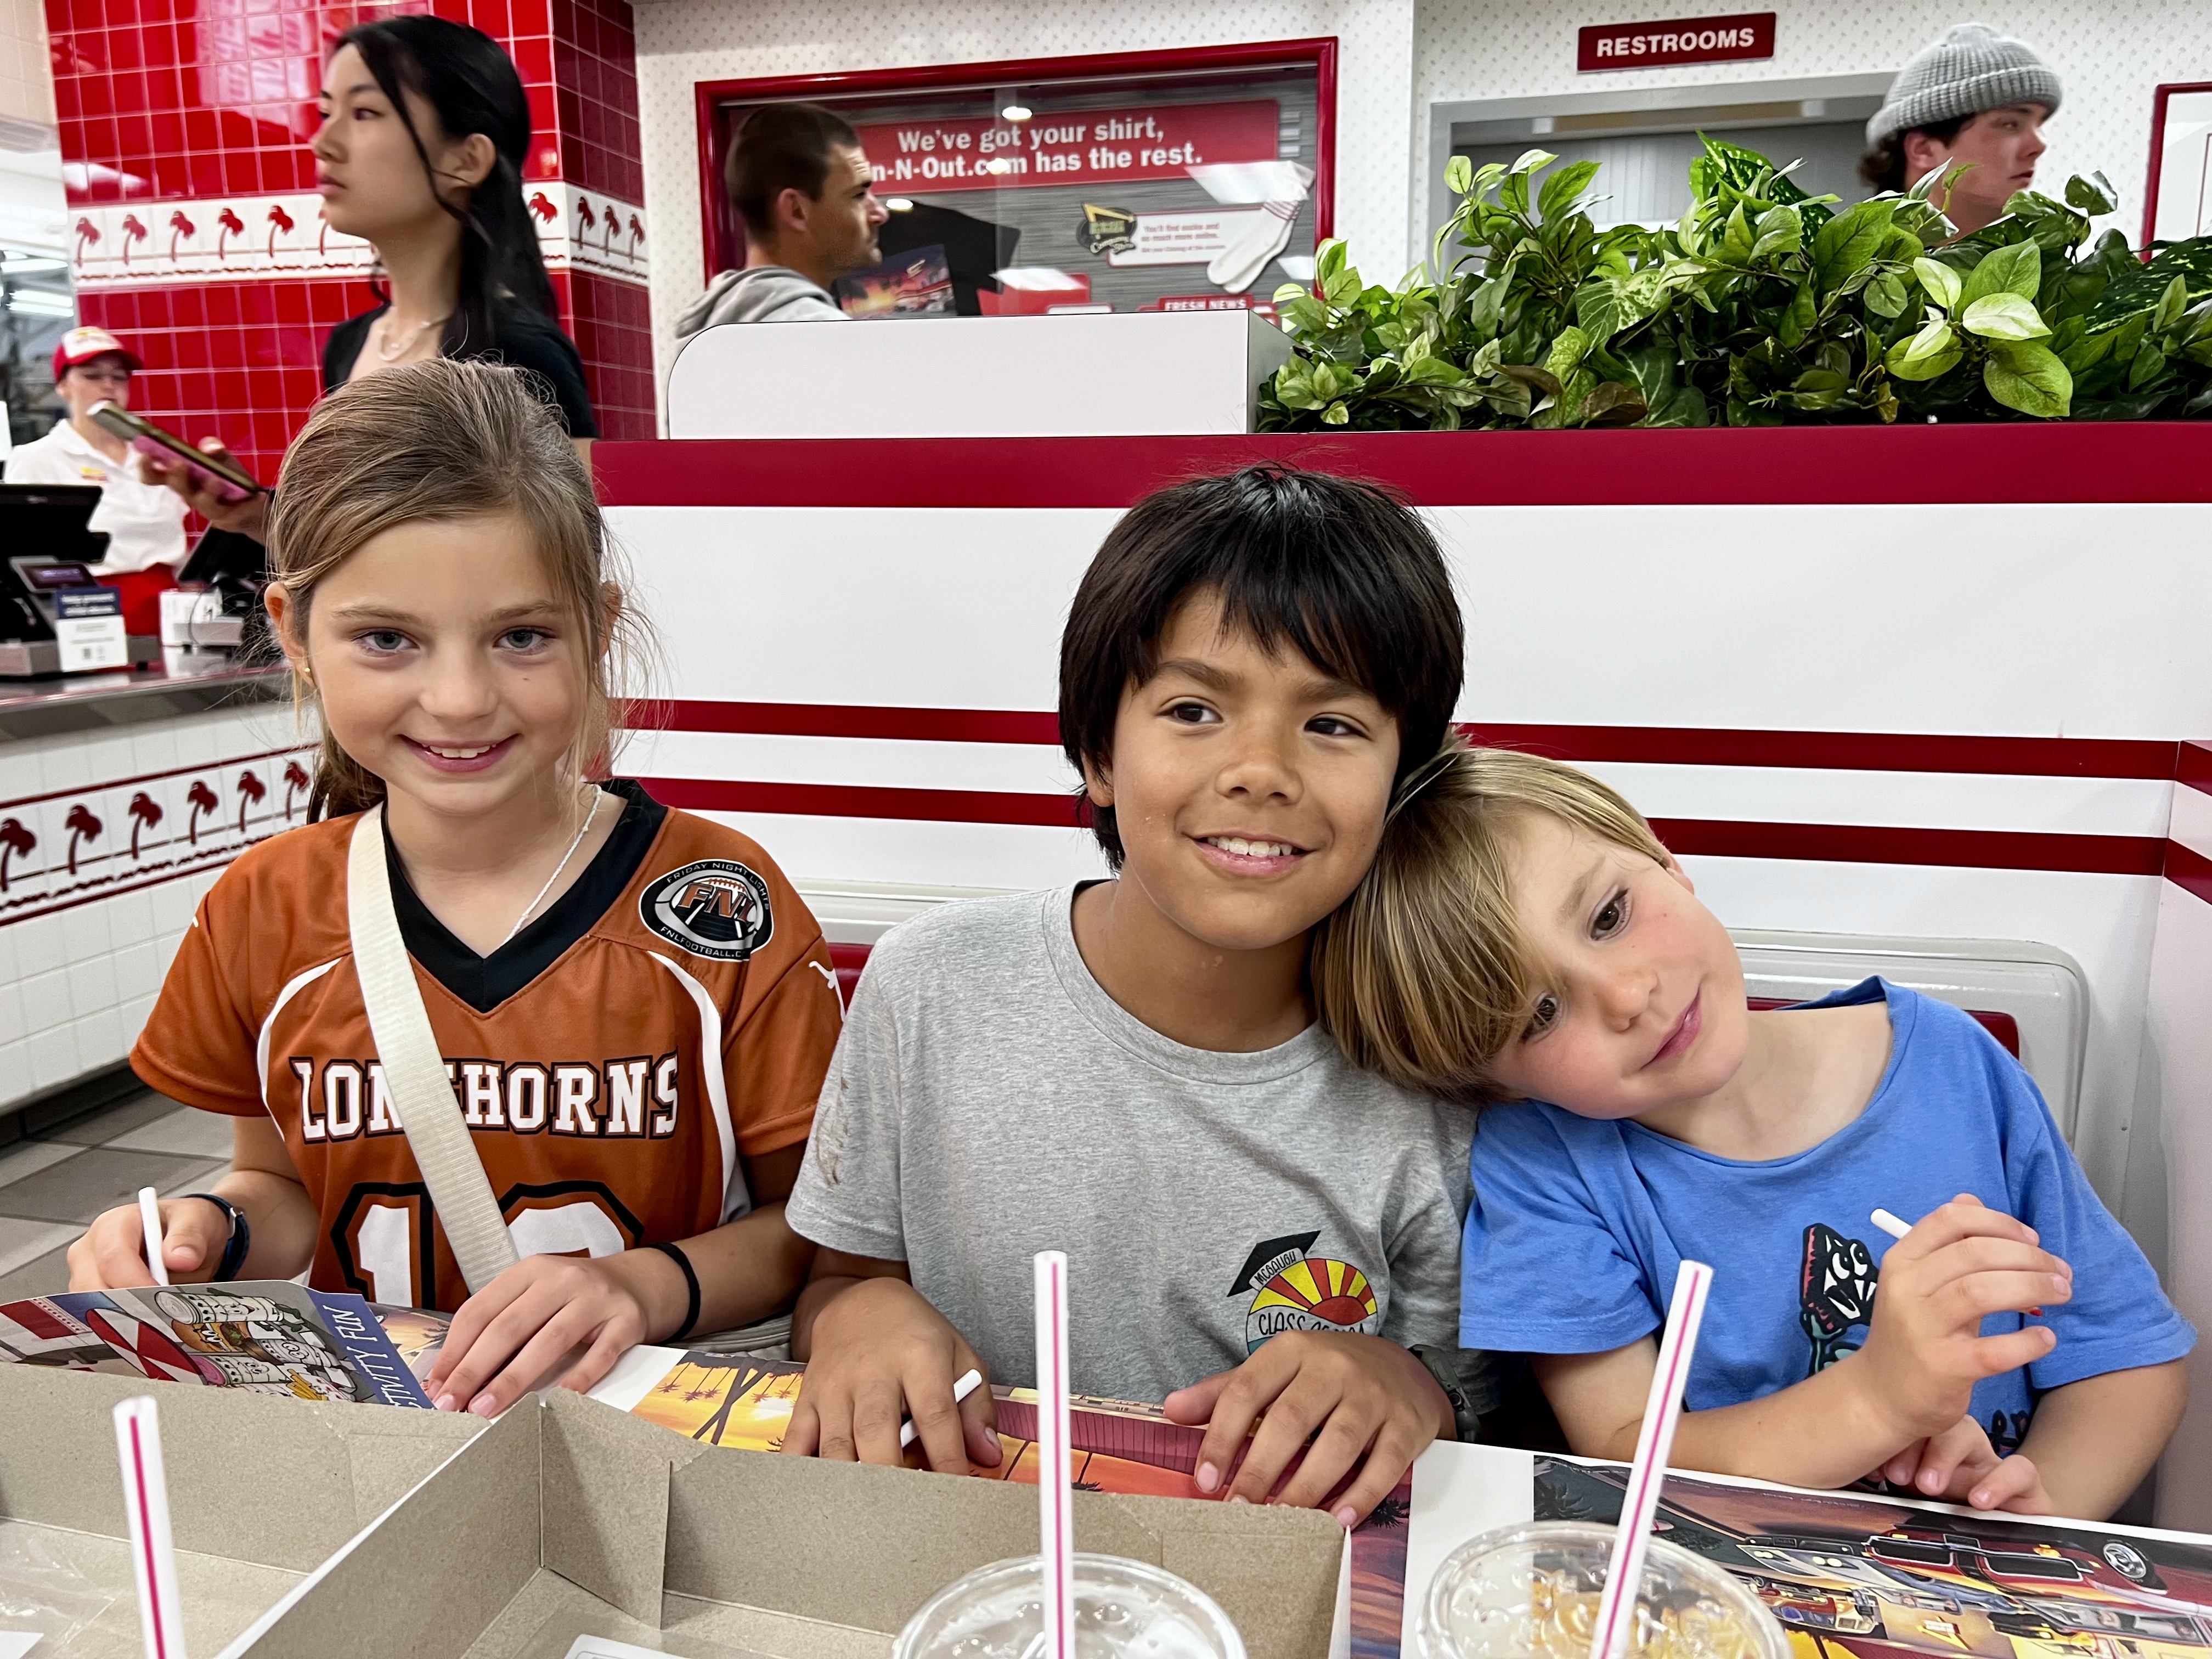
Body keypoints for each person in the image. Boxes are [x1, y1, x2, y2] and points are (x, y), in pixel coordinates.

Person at [65, 359, 844, 1417]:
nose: (461, 697)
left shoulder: (719, 902)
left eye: (521, 636)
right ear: (294, 632)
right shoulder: (264, 906)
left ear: (596, 627)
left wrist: (638, 1283)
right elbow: (284, 1185)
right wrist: (210, 1227)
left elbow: (825, 1229)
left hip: (657, 1448)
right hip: (380, 1450)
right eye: (387, 639)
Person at [780, 465, 1489, 1527]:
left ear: (1406, 777)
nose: (1260, 770)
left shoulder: (1436, 1064)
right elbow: (837, 1278)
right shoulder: (929, 983)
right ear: (1096, 749)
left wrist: (1410, 1384)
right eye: (1194, 708)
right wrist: (859, 1315)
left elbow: (1473, 1399)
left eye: (1333, 724)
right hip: (958, 1548)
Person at [1312, 742, 2192, 1520]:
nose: (1628, 996)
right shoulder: (1548, 1164)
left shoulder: (1956, 1065)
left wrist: (2034, 1510)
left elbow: (2124, 1361)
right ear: (1494, 1088)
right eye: (1540, 1015)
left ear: (1662, 857)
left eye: (1610, 915)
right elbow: (1621, 1454)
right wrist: (1878, 1401)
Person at [144, 16, 597, 549]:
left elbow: (575, 560)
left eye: (365, 113)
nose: (322, 142)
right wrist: (256, 518)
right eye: (324, 112)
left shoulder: (522, 353)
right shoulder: (351, 345)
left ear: (466, 159)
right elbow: (363, 556)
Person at [2, 326, 188, 635]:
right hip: (88, 608)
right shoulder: (37, 458)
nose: (108, 386)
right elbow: (25, 555)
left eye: (119, 378)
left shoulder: (155, 456)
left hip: (170, 607)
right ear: (62, 386)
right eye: (91, 376)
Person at [676, 103, 889, 336]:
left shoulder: (710, 332)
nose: (879, 214)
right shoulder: (824, 336)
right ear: (797, 211)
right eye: (858, 195)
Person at [1860, 22, 2059, 236]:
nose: (2039, 146)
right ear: (1924, 149)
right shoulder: (1849, 268)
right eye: (2010, 124)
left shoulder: (2051, 263)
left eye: (2038, 125)